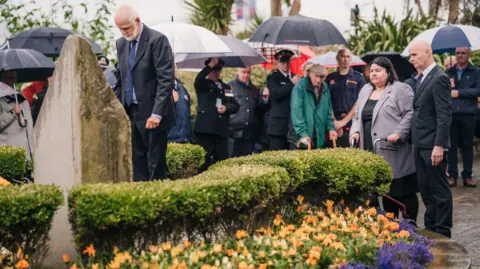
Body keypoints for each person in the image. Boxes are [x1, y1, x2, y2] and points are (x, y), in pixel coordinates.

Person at [350, 57, 418, 221]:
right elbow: (357, 116)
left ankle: (411, 224)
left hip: (393, 148)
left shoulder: (400, 89)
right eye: (371, 71)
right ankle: (390, 226)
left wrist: (399, 133)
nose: (373, 74)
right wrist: (355, 131)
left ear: (388, 72)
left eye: (378, 70)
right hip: (369, 149)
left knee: (402, 190)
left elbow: (410, 114)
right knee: (383, 191)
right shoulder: (365, 89)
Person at [113, 5, 175, 181]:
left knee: (155, 164)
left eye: (127, 28)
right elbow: (120, 79)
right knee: (136, 163)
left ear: (137, 21)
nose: (124, 32)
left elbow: (166, 79)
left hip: (153, 113)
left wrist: (157, 113)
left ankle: (159, 204)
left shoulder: (157, 40)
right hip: (130, 111)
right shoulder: (120, 44)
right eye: (120, 29)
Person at [409, 40, 453, 238]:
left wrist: (439, 145)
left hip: (432, 145)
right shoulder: (420, 78)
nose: (411, 59)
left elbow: (444, 115)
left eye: (414, 55)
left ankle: (443, 232)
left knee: (439, 191)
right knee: (426, 191)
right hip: (420, 144)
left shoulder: (439, 78)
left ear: (428, 52)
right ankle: (431, 230)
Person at [193, 57, 239, 169]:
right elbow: (198, 79)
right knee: (203, 163)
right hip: (205, 131)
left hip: (220, 131)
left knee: (222, 163)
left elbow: (235, 105)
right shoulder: (202, 84)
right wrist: (210, 66)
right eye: (214, 69)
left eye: (218, 70)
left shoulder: (226, 87)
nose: (216, 72)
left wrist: (226, 107)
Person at [445, 47, 480, 187]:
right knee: (451, 146)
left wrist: (458, 93)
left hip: (468, 114)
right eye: (457, 53)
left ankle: (467, 175)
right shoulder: (448, 72)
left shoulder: (476, 71)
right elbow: (442, 89)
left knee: (467, 145)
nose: (460, 55)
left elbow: (477, 90)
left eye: (463, 53)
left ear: (469, 54)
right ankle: (452, 175)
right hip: (451, 113)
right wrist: (448, 87)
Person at [326, 48, 367, 147]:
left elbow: (360, 101)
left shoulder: (359, 78)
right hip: (333, 125)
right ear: (337, 59)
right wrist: (335, 122)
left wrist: (344, 122)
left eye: (348, 57)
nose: (345, 59)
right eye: (342, 57)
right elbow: (327, 101)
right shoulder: (330, 78)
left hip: (352, 123)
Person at [291, 64, 337, 149]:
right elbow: (296, 112)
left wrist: (331, 128)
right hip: (300, 137)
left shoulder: (325, 86)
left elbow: (328, 111)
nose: (319, 80)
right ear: (310, 73)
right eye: (316, 76)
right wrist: (303, 133)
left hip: (318, 136)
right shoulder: (300, 86)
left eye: (322, 77)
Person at [227, 66, 268, 157]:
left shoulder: (254, 89)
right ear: (237, 71)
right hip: (233, 132)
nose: (246, 75)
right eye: (243, 72)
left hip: (250, 133)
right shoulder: (229, 86)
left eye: (248, 72)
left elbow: (258, 110)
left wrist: (265, 99)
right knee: (230, 161)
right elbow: (225, 105)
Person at [266, 49, 299, 150]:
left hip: (292, 124)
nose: (285, 64)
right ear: (278, 62)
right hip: (278, 125)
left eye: (287, 61)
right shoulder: (273, 77)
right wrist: (291, 83)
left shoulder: (295, 76)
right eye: (282, 62)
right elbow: (276, 94)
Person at [0, 79, 34, 165]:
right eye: (8, 79)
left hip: (27, 154)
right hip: (10, 157)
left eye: (13, 78)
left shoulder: (22, 99)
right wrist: (12, 112)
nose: (11, 83)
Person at [168, 65, 191, 144]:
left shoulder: (181, 87)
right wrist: (169, 101)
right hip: (170, 138)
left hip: (184, 137)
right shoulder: (161, 88)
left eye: (174, 67)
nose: (173, 70)